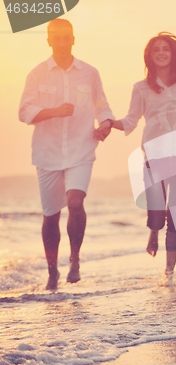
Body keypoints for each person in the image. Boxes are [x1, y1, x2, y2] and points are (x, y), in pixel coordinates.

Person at [18, 19, 114, 290]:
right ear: (48, 40)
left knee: (74, 202)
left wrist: (105, 125)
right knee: (51, 215)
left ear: (73, 39)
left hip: (81, 150)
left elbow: (102, 107)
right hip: (47, 154)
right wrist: (54, 111)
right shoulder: (37, 74)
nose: (61, 42)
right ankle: (52, 272)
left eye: (66, 38)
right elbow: (24, 111)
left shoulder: (89, 73)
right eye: (56, 38)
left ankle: (74, 259)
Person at [109, 32, 176, 274]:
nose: (161, 52)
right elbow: (131, 120)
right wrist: (110, 123)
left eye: (165, 49)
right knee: (157, 211)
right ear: (149, 57)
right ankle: (153, 231)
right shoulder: (140, 88)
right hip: (154, 154)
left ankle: (169, 270)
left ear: (173, 54)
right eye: (155, 50)